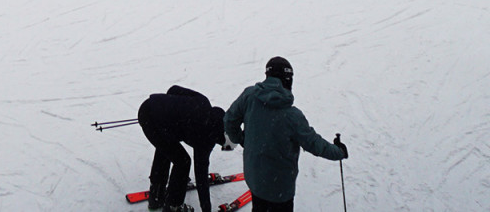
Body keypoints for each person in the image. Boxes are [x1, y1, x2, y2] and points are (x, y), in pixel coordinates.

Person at [224, 57, 346, 212]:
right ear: (287, 80)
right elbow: (313, 143)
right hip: (280, 190)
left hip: (255, 179)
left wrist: (242, 140)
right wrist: (339, 152)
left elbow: (230, 120)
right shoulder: (292, 116)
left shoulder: (250, 96)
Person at [137, 84, 227, 212]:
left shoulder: (203, 102)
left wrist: (171, 107)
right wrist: (206, 208)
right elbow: (201, 177)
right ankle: (173, 206)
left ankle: (156, 196)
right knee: (183, 162)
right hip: (152, 121)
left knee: (166, 149)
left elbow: (173, 89)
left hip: (149, 107)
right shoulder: (205, 139)